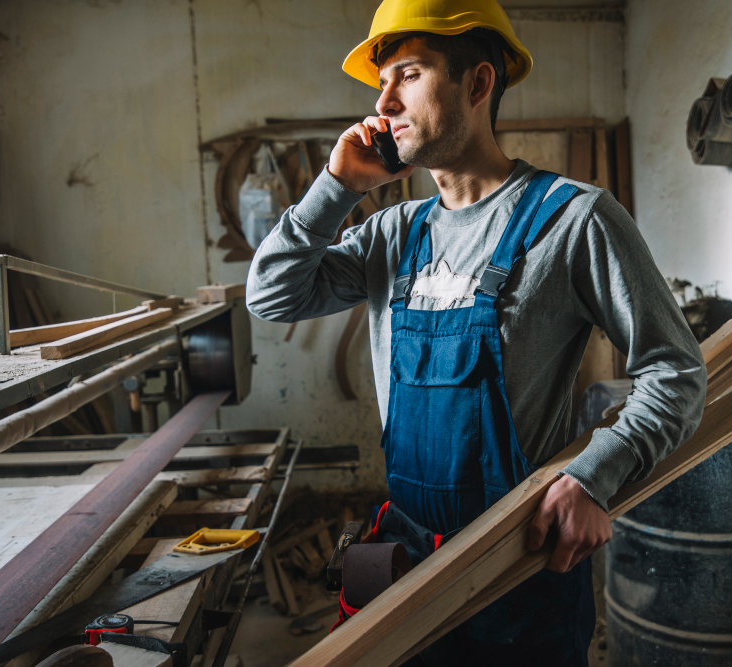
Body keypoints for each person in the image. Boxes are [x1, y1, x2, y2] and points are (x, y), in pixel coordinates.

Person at [246, 0, 706, 663]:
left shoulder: (573, 220)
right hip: (403, 566)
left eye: (407, 74)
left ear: (478, 83)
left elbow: (678, 371)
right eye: (381, 83)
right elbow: (269, 293)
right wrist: (334, 187)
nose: (385, 101)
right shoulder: (393, 233)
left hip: (517, 572)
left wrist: (595, 475)